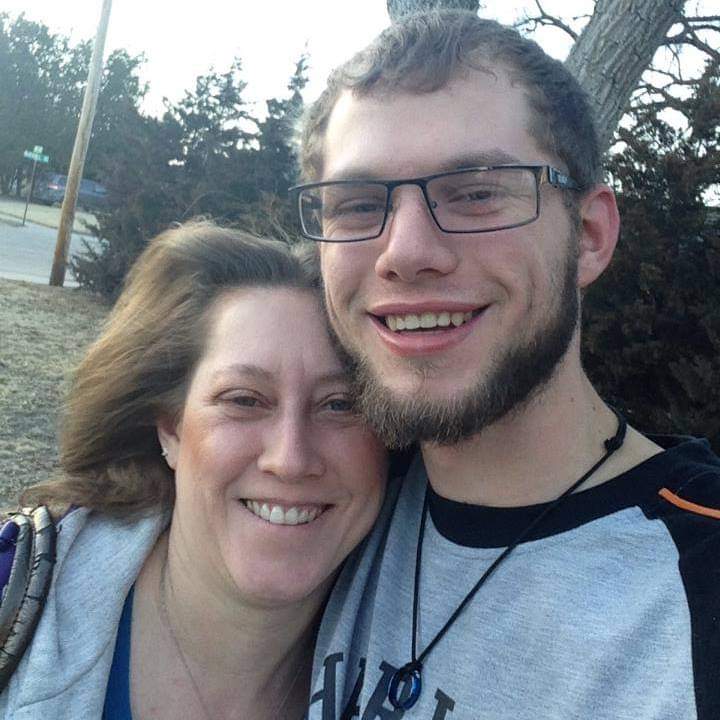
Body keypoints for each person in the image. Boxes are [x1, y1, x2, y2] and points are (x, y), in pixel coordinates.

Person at [292, 10, 720, 719]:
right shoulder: (322, 505)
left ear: (588, 236)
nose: (404, 252)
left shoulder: (696, 579)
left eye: (478, 192)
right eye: (359, 204)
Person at [0, 221, 387, 719]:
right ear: (170, 429)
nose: (291, 459)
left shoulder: (424, 653)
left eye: (339, 405)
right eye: (244, 400)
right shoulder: (12, 590)